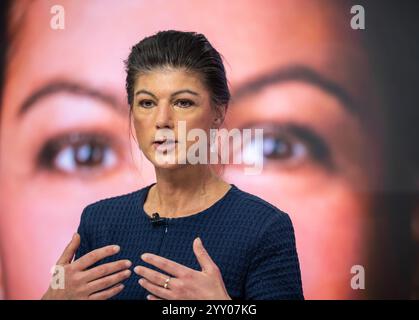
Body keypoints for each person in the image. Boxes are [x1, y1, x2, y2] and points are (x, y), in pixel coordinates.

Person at [41, 30, 304, 300]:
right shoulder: (100, 221)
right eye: (146, 103)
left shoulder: (263, 227)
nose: (163, 120)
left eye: (183, 102)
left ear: (218, 111)